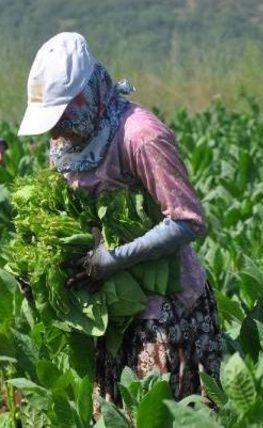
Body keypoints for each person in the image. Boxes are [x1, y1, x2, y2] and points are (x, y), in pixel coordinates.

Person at [18, 33, 222, 404]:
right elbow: (72, 211)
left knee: (159, 412)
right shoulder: (65, 144)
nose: (55, 131)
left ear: (87, 96)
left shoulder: (141, 136)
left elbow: (189, 220)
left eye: (61, 118)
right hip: (110, 310)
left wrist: (114, 258)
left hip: (163, 309)